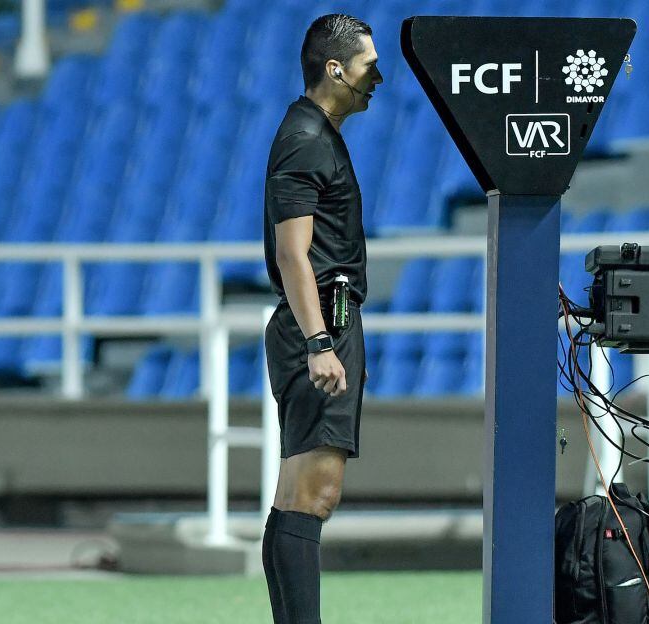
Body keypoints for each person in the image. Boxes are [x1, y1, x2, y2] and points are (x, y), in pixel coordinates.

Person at [260, 13, 382, 624]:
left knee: (299, 497)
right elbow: (292, 252)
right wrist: (318, 342)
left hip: (329, 322)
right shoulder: (306, 136)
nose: (378, 78)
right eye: (369, 66)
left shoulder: (318, 133)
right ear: (335, 70)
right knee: (312, 496)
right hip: (319, 323)